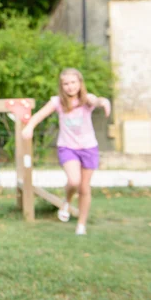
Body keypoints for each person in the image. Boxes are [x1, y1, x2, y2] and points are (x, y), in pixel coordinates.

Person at [22, 68, 111, 235]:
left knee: (84, 188)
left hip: (89, 147)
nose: (70, 87)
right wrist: (30, 127)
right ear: (61, 86)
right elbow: (39, 115)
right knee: (74, 180)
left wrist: (104, 102)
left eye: (73, 82)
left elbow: (97, 100)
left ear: (80, 83)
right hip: (67, 147)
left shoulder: (86, 100)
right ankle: (67, 201)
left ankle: (81, 224)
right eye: (66, 84)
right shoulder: (57, 102)